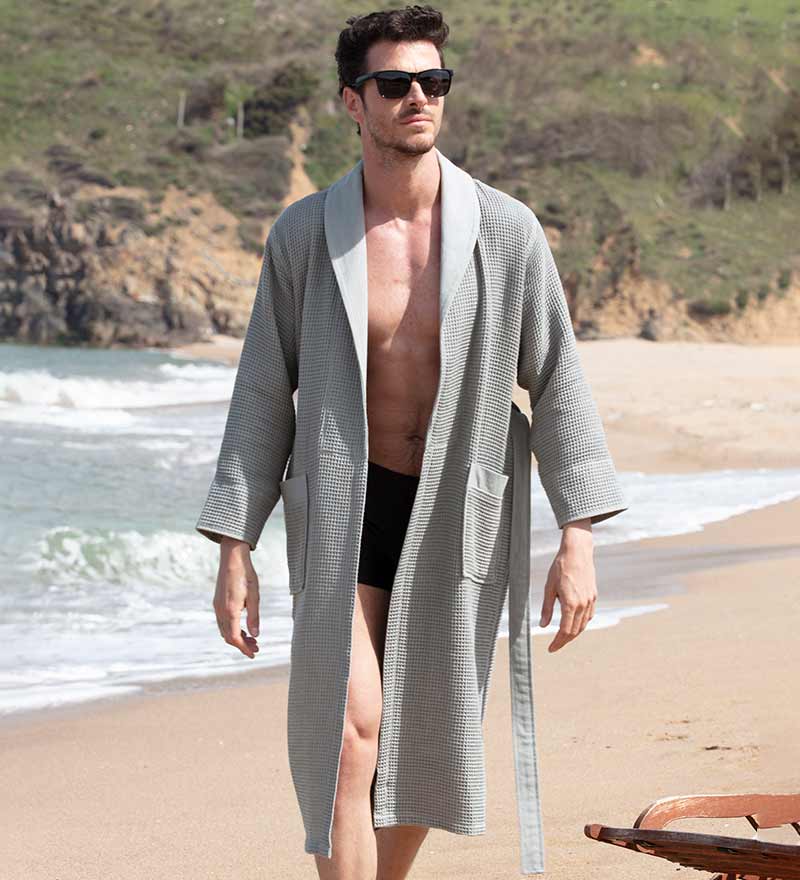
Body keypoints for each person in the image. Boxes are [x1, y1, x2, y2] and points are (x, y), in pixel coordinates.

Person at [196, 5, 628, 879]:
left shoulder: (505, 232)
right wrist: (234, 548)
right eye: (394, 83)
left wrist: (577, 538)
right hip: (344, 507)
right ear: (352, 102)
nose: (417, 98)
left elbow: (557, 382)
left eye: (433, 81)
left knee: (424, 742)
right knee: (348, 735)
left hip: (455, 512)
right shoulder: (305, 236)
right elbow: (263, 393)